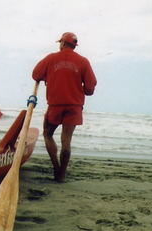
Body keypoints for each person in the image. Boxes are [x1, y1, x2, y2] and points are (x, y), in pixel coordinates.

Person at [32, 32, 97, 182]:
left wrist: (47, 76)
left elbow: (35, 74)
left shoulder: (51, 58)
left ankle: (55, 167)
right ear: (74, 45)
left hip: (55, 104)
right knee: (66, 140)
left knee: (48, 134)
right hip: (74, 106)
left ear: (63, 43)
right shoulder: (83, 61)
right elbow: (90, 89)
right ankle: (62, 174)